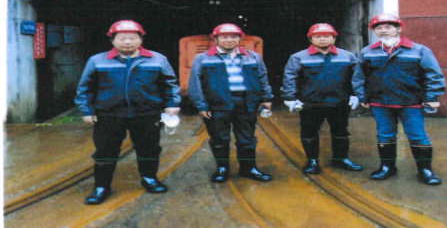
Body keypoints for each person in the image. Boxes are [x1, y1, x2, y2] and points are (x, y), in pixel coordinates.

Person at [75, 20, 181, 205]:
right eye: (122, 38)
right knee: (105, 151)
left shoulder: (157, 59)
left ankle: (149, 178)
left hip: (146, 112)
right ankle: (101, 187)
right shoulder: (97, 61)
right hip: (109, 114)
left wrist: (173, 103)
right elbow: (85, 87)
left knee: (149, 148)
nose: (127, 42)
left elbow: (169, 83)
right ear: (112, 40)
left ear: (140, 39)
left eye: (132, 38)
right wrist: (86, 110)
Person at [357, 14, 446, 185]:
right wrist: (363, 96)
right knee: (384, 134)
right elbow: (359, 76)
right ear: (374, 31)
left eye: (388, 27)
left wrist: (432, 96)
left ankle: (425, 170)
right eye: (379, 28)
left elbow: (433, 74)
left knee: (417, 135)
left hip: (410, 102)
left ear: (398, 29)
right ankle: (387, 167)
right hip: (380, 102)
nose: (383, 31)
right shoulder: (367, 52)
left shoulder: (419, 50)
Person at [188, 23, 274, 183]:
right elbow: (195, 84)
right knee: (219, 138)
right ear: (215, 39)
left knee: (247, 137)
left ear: (240, 39)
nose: (229, 40)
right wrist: (201, 106)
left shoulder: (253, 57)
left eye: (234, 37)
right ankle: (222, 169)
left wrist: (266, 98)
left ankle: (248, 168)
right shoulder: (202, 58)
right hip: (217, 104)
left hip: (246, 102)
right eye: (224, 37)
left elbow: (262, 78)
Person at [282, 23, 364, 175]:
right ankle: (312, 161)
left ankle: (341, 159)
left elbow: (356, 77)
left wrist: (356, 94)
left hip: (339, 102)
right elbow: (290, 78)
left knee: (341, 131)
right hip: (311, 103)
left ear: (334, 38)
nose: (322, 39)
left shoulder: (347, 56)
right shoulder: (298, 57)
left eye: (326, 36)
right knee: (309, 132)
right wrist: (290, 97)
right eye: (318, 36)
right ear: (310, 39)